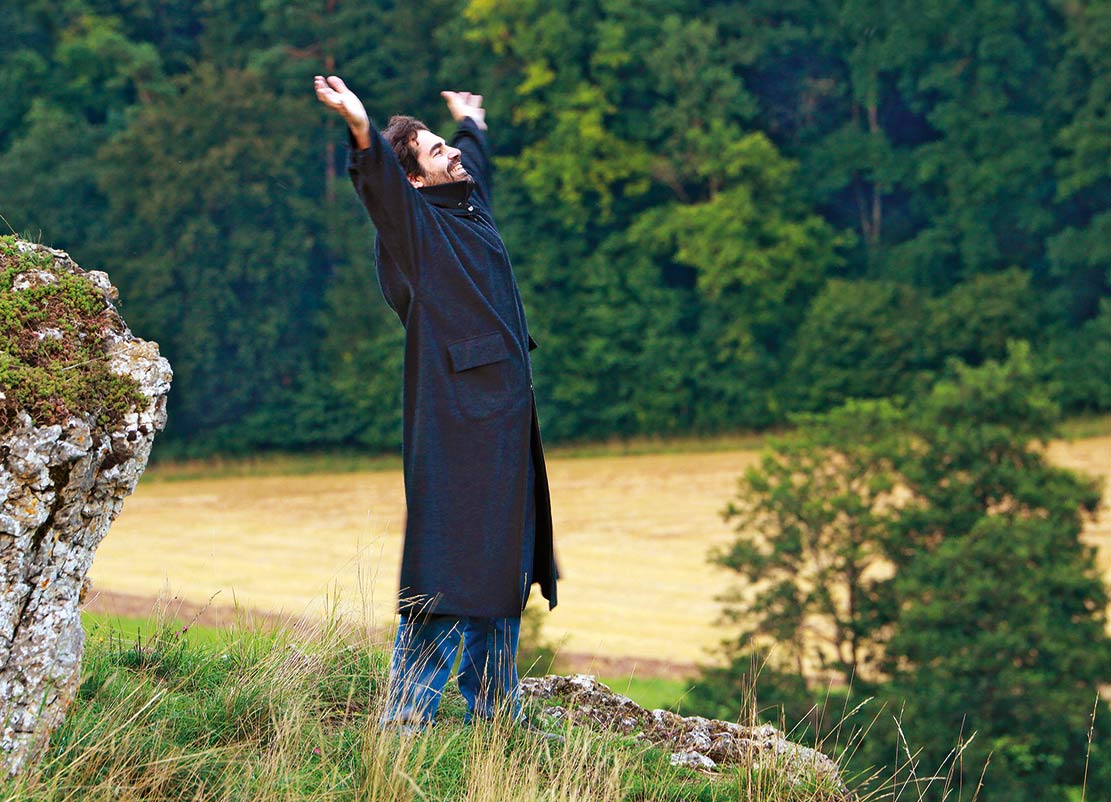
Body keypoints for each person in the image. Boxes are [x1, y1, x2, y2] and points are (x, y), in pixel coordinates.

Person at [313, 75, 557, 730]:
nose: (451, 153)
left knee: (501, 565)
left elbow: (472, 164)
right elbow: (381, 190)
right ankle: (405, 719)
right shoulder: (418, 231)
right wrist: (361, 130)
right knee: (448, 565)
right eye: (436, 150)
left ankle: (496, 712)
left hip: (503, 424)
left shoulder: (467, 206)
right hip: (458, 424)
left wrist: (472, 124)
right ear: (415, 181)